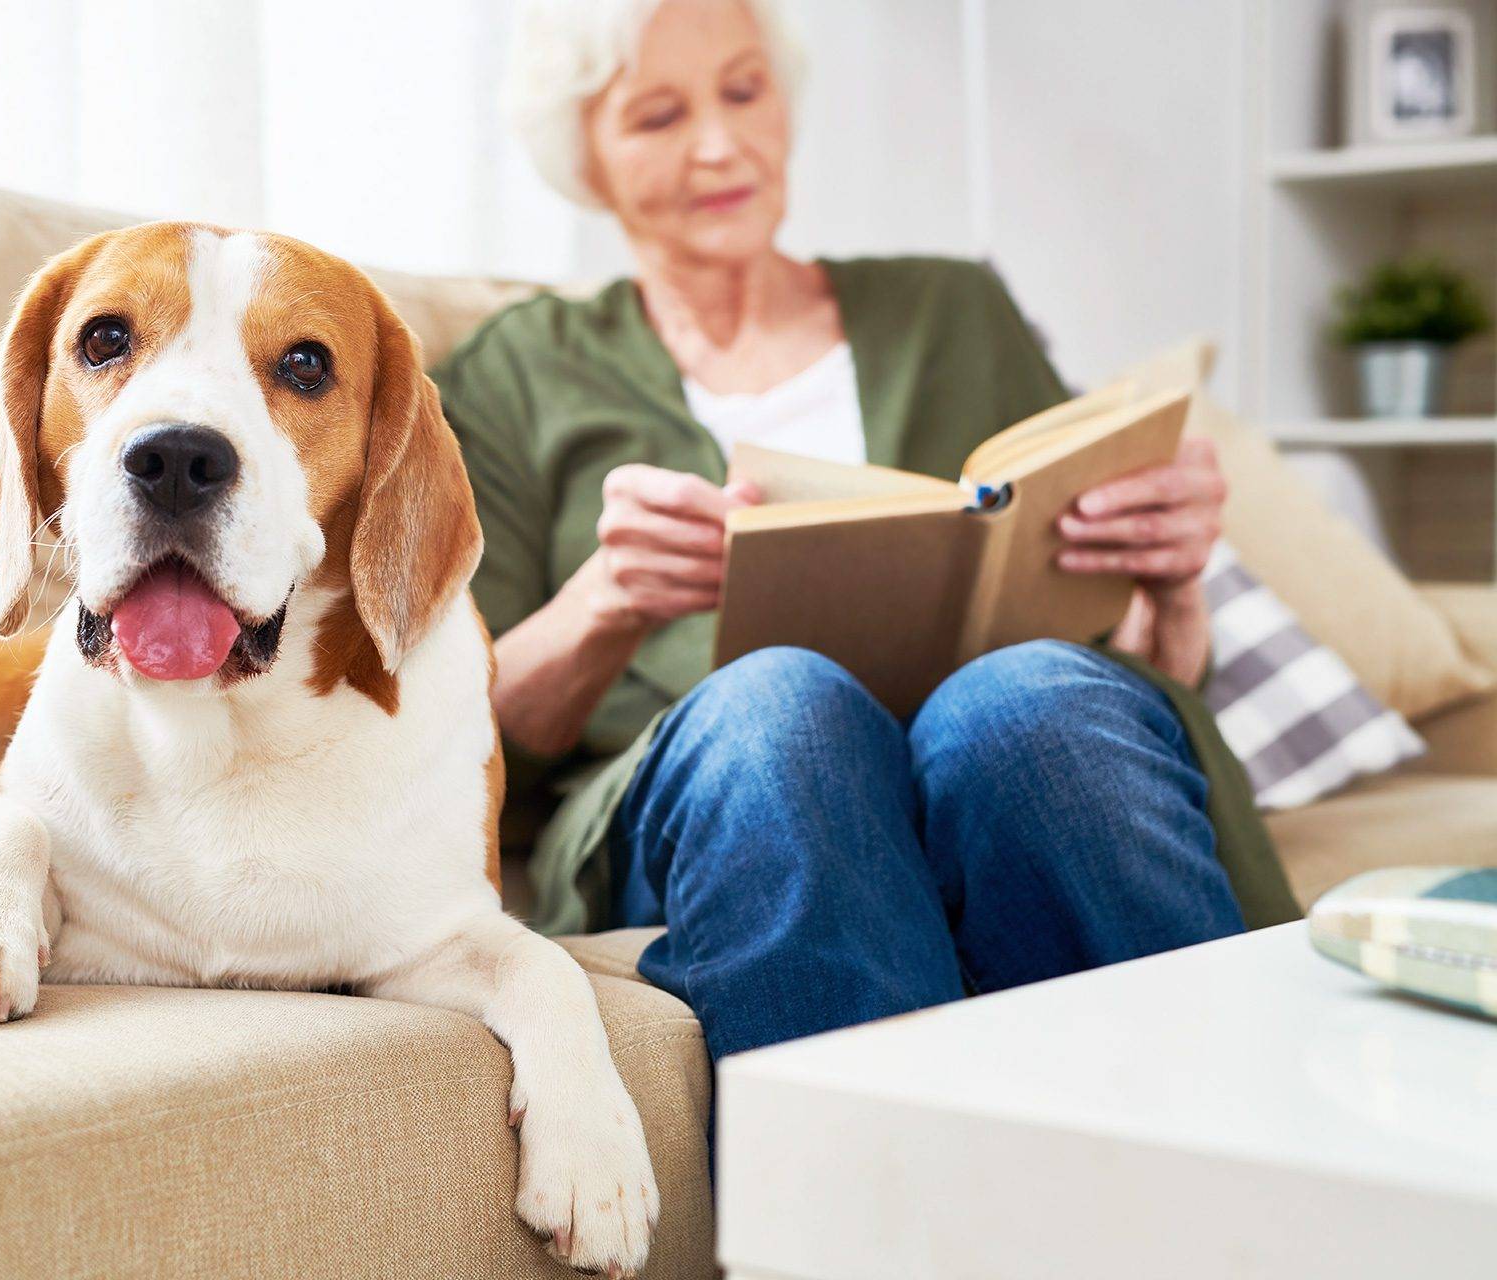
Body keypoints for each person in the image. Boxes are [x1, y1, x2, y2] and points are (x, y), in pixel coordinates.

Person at [430, 0, 1299, 1063]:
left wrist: (1170, 582)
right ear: (587, 163)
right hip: (716, 776)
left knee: (1026, 702)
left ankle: (1230, 1182)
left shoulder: (957, 308)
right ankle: (860, 1216)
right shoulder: (514, 371)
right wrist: (608, 596)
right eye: (659, 115)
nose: (720, 143)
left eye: (744, 92)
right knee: (780, 701)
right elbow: (463, 725)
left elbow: (1142, 663)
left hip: (1012, 741)